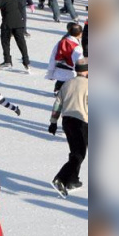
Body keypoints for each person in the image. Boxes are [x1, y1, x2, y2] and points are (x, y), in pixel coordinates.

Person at [48, 58, 88, 198]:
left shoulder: (67, 84)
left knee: (75, 151)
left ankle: (73, 180)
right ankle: (60, 178)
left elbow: (57, 104)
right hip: (81, 122)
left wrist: (53, 122)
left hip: (67, 121)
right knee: (79, 153)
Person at [45, 22, 84, 94]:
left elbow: (53, 57)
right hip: (71, 75)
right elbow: (79, 64)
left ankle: (58, 90)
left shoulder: (60, 42)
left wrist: (50, 72)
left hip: (59, 72)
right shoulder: (77, 47)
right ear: (80, 34)